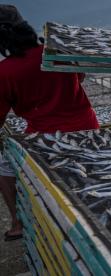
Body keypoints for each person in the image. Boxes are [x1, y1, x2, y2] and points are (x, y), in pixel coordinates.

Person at [0, 5, 99, 241]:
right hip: (88, 126)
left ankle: (17, 223)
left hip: (45, 136)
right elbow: (80, 77)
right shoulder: (55, 52)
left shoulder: (4, 72)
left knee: (2, 167)